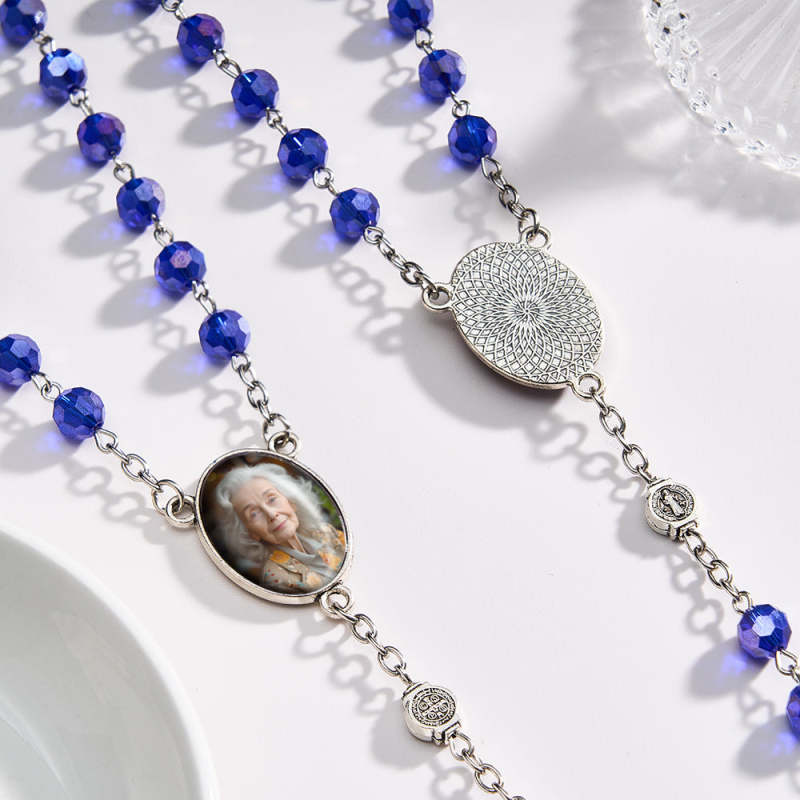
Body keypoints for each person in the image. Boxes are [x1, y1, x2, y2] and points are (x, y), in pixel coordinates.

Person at [215, 462, 346, 594]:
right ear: (249, 533)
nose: (271, 514)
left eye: (272, 499)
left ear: (291, 502)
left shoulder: (326, 531)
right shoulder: (276, 577)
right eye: (254, 514)